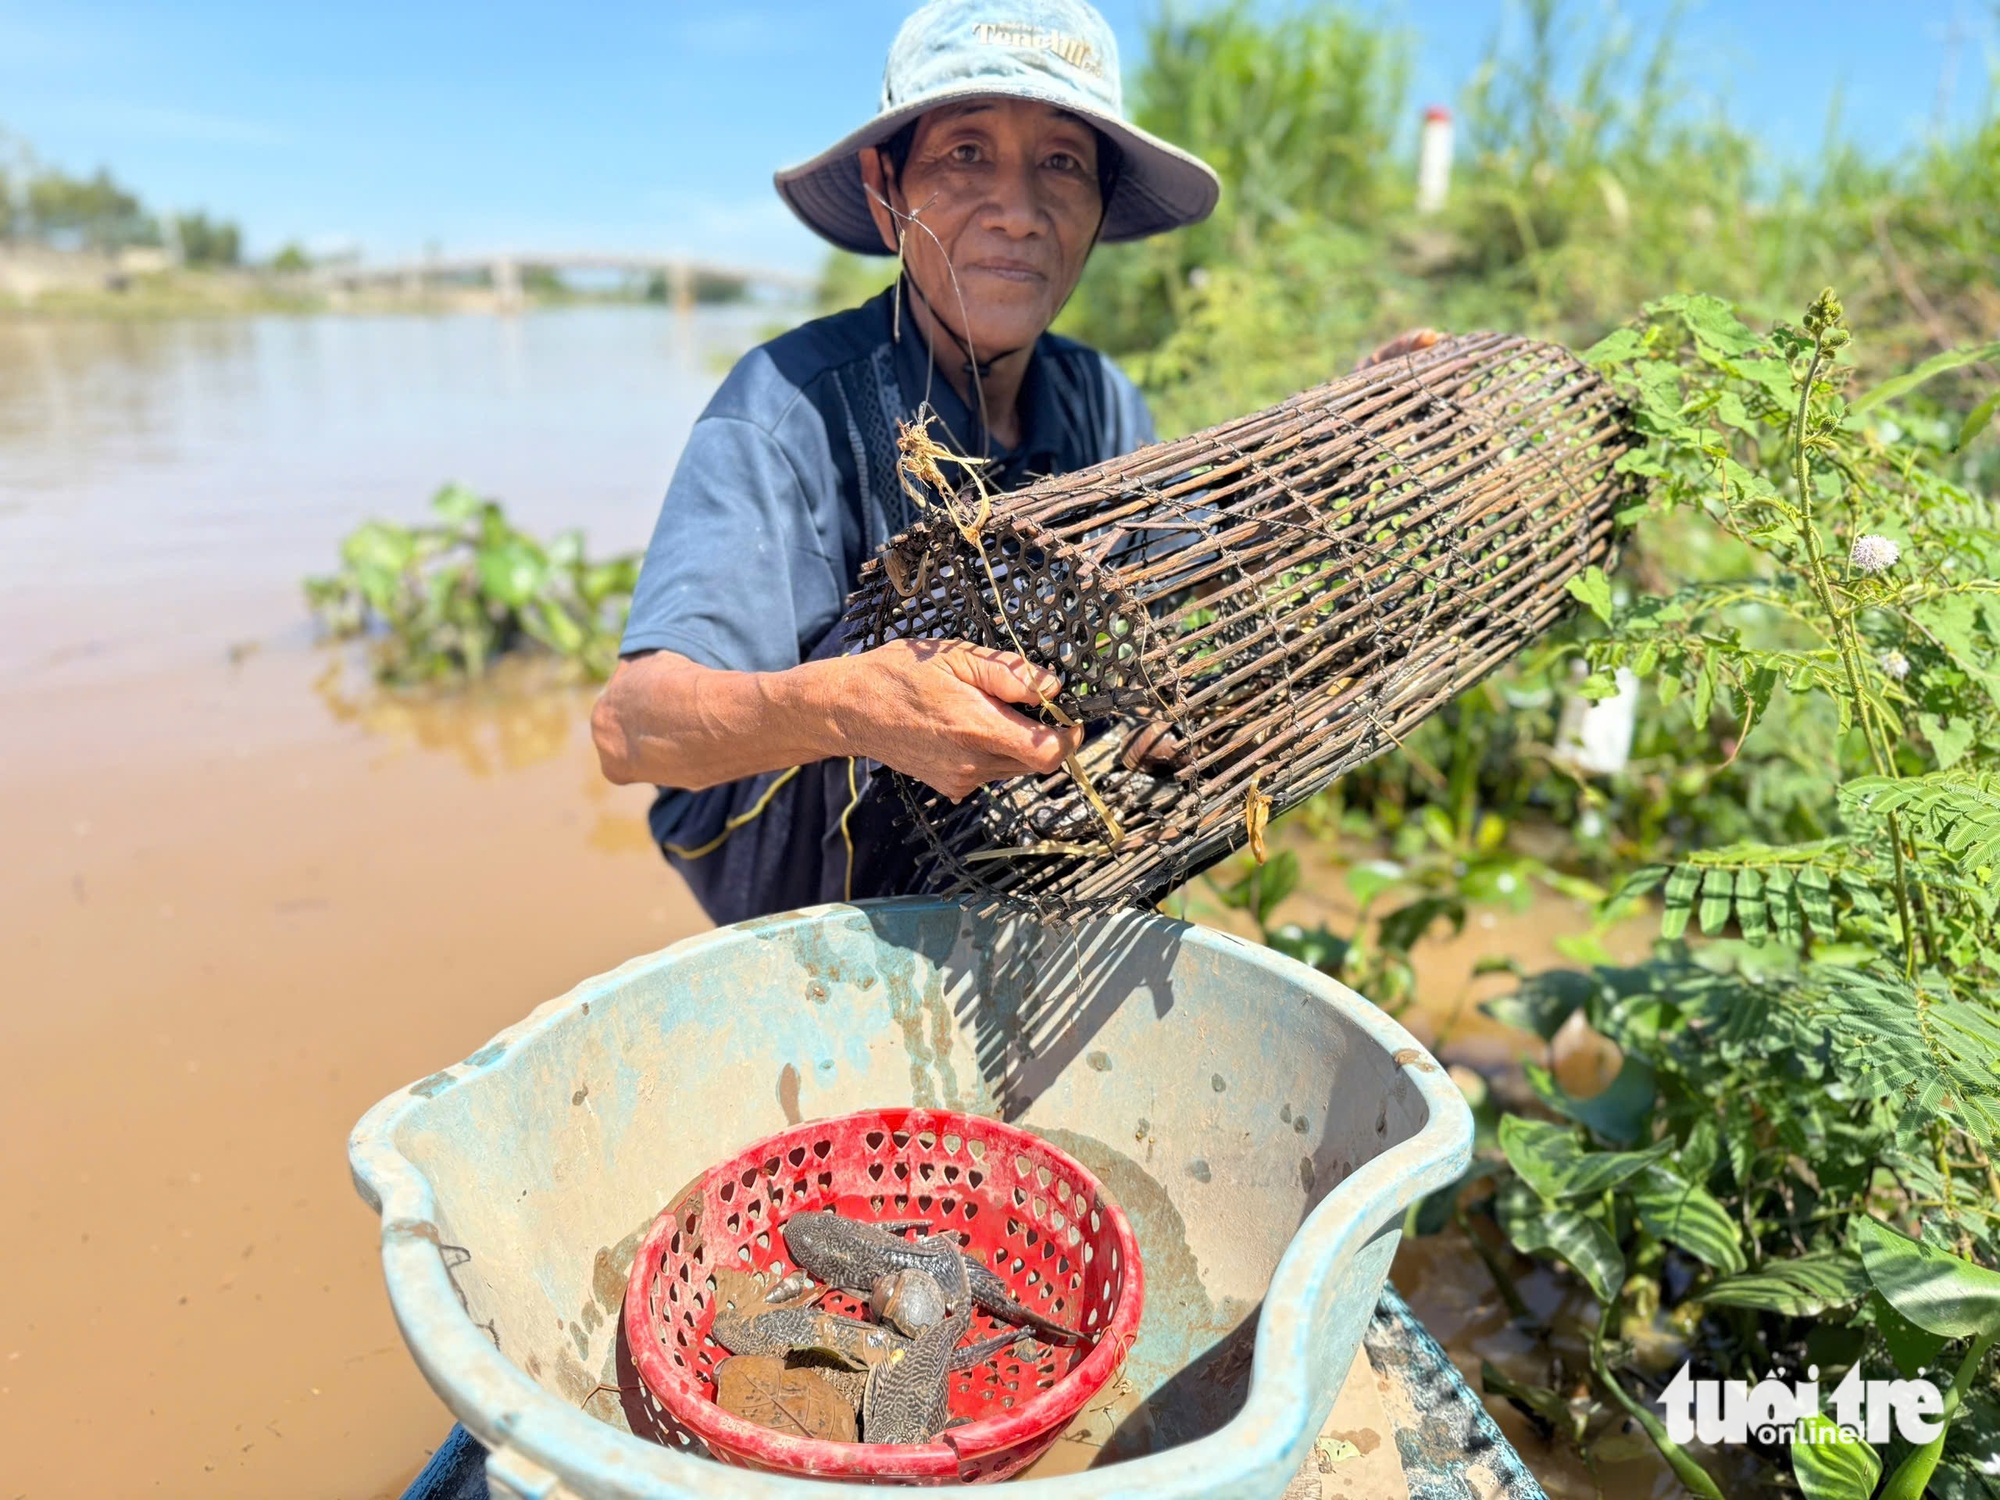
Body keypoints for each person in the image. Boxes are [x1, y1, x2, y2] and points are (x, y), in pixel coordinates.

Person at [587, 0, 1225, 927]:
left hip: (1022, 881)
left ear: (1097, 208)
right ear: (887, 193)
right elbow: (629, 729)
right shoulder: (786, 405)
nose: (1018, 211)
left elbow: (1197, 579)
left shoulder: (1103, 400)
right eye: (966, 153)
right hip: (812, 899)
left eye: (1061, 163)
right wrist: (851, 705)